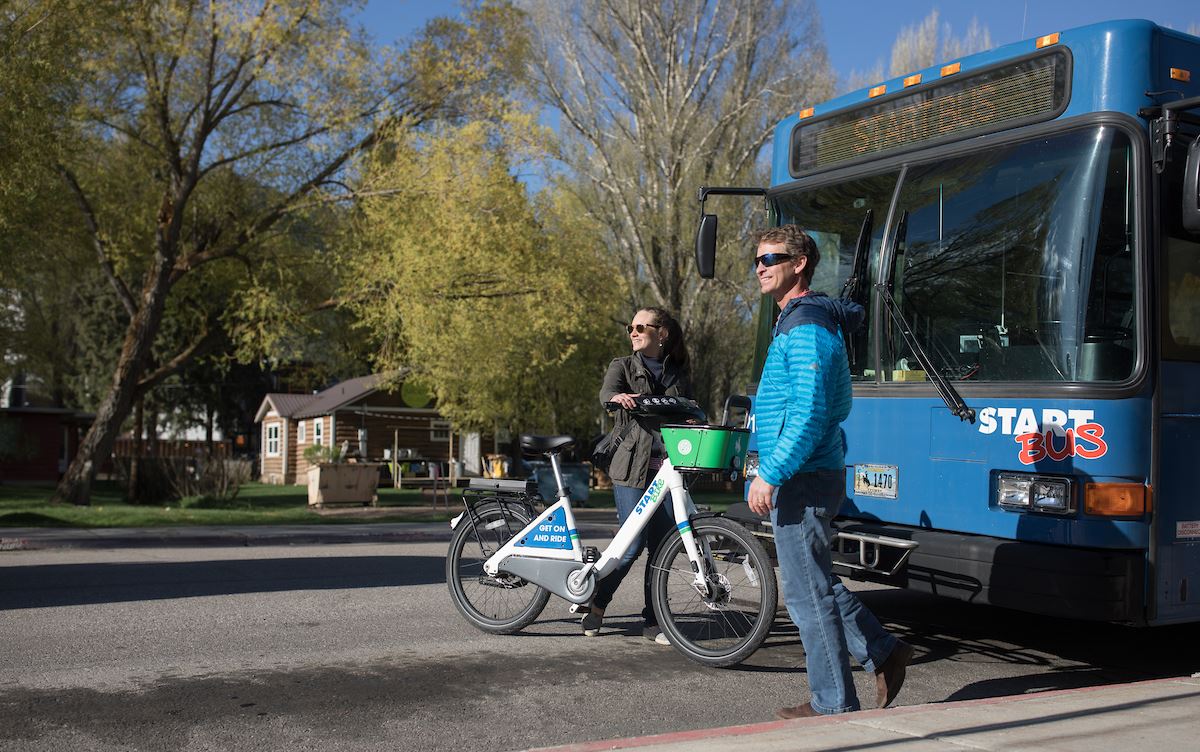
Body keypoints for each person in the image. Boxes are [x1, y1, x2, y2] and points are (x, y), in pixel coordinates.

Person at [745, 225, 914, 718]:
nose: (760, 266)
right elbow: (820, 406)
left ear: (799, 264)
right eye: (756, 259)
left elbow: (810, 411)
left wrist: (772, 472)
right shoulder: (800, 321)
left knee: (805, 595)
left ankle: (833, 703)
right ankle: (882, 651)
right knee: (814, 582)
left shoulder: (807, 328)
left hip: (803, 477)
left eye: (771, 257)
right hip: (810, 472)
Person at [584, 307, 693, 644]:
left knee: (661, 548)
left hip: (668, 469)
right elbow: (607, 394)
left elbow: (688, 405)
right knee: (630, 546)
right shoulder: (623, 365)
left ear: (662, 334)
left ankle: (654, 620)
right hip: (631, 467)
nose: (633, 331)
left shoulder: (678, 370)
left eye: (640, 327)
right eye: (630, 326)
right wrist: (616, 398)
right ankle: (598, 603)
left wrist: (689, 417)